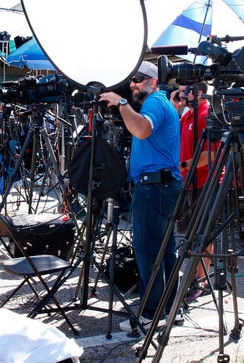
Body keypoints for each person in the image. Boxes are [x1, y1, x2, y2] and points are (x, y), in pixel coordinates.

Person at [99, 61, 183, 332]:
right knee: (164, 252)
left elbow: (142, 130)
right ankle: (171, 309)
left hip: (156, 188)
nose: (133, 83)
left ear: (153, 82)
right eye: (131, 80)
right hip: (161, 187)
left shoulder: (155, 102)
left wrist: (121, 102)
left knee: (149, 252)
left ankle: (151, 313)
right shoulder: (157, 102)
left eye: (138, 79)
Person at [177, 82, 218, 303]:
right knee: (189, 232)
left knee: (203, 233)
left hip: (203, 182)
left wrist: (182, 165)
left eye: (185, 90)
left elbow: (210, 154)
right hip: (187, 181)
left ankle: (201, 280)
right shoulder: (186, 115)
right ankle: (194, 273)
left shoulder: (205, 114)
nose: (181, 93)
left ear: (198, 93)